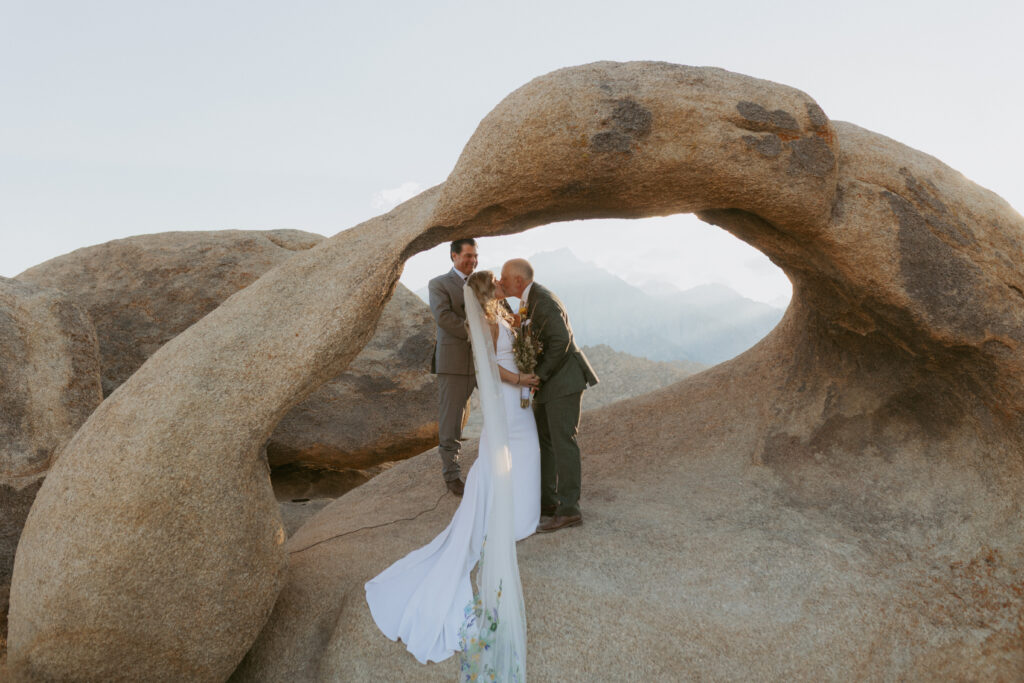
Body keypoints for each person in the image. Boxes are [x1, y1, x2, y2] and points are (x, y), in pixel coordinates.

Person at [365, 270, 540, 677]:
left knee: (519, 455)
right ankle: (512, 517)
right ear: (484, 291)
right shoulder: (488, 323)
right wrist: (523, 377)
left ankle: (518, 512)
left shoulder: (500, 317)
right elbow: (495, 371)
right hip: (511, 397)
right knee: (516, 452)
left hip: (516, 401)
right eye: (494, 281)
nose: (499, 284)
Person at [499, 258, 599, 533]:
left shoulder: (543, 300)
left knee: (563, 441)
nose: (501, 282)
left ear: (519, 281)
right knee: (545, 440)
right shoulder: (528, 301)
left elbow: (560, 340)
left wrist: (538, 376)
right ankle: (548, 502)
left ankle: (569, 510)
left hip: (563, 382)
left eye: (505, 278)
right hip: (549, 385)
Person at [427, 238, 478, 496]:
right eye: (467, 256)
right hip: (454, 363)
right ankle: (452, 476)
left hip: (485, 363)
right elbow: (444, 317)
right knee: (452, 422)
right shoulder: (438, 284)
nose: (472, 260)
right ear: (454, 256)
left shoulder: (482, 283)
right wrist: (478, 332)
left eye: (475, 256)